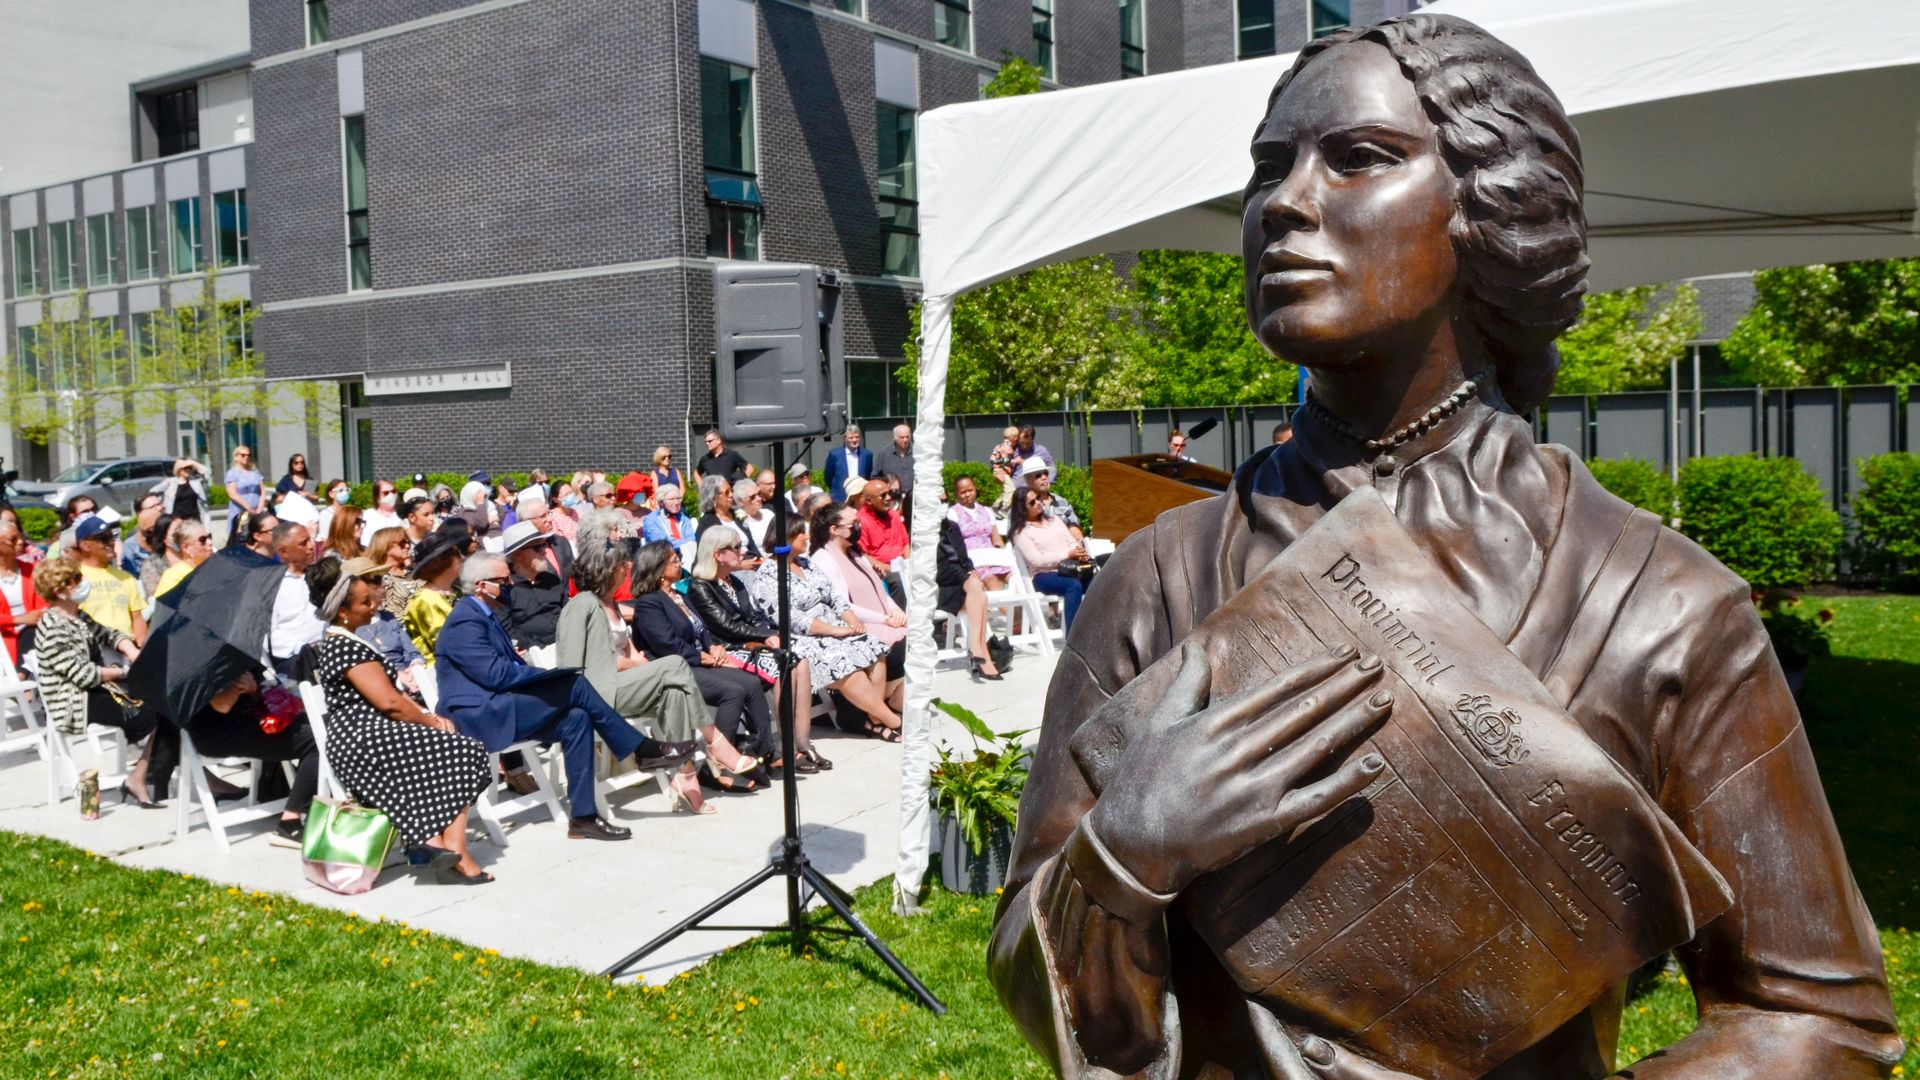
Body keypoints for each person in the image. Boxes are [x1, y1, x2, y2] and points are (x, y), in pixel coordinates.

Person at [990, 17, 1902, 1079]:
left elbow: (1820, 1016)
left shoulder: (1660, 606)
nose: (1284, 202)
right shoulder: (1159, 578)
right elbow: (1027, 967)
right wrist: (1122, 856)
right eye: (1267, 168)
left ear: (1492, 208)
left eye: (1359, 158)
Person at [434, 550, 697, 841]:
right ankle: (641, 748)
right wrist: (546, 678)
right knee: (574, 684)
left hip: (500, 705)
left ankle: (583, 817)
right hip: (479, 716)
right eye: (502, 580)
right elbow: (496, 675)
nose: (510, 584)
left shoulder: (484, 614)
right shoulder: (465, 620)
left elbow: (502, 671)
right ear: (481, 586)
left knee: (578, 716)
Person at [557, 510, 759, 814]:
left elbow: (632, 653)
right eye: (622, 564)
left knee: (676, 692)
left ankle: (685, 775)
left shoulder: (612, 606)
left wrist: (641, 665)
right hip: (598, 692)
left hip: (622, 685)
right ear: (606, 570)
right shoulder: (581, 605)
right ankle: (717, 743)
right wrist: (642, 667)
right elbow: (571, 667)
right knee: (675, 664)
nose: (628, 567)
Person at [308, 556, 493, 881]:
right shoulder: (342, 646)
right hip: (361, 739)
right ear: (342, 612)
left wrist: (424, 714)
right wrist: (430, 721)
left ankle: (441, 849)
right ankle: (446, 850)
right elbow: (390, 701)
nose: (372, 606)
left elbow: (392, 698)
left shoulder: (349, 640)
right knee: (464, 751)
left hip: (374, 732)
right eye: (364, 602)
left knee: (458, 750)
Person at [746, 515, 901, 761]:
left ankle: (872, 719)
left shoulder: (806, 563)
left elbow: (834, 597)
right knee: (846, 665)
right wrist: (833, 630)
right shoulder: (767, 574)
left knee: (874, 648)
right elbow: (788, 618)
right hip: (800, 637)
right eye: (801, 534)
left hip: (834, 626)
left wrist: (851, 620)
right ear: (786, 538)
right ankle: (891, 719)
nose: (807, 537)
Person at [629, 541, 776, 786]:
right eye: (674, 560)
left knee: (751, 683)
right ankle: (717, 766)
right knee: (732, 691)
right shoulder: (649, 604)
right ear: (657, 568)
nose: (680, 563)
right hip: (676, 669)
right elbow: (668, 646)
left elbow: (701, 630)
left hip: (699, 660)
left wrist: (713, 647)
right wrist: (706, 658)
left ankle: (760, 755)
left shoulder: (679, 595)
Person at [31, 556, 164, 806]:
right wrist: (123, 672)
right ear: (60, 591)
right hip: (74, 700)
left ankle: (143, 775)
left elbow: (108, 633)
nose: (83, 583)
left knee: (165, 703)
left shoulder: (77, 616)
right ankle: (145, 775)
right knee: (153, 713)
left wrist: (132, 651)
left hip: (100, 688)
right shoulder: (52, 627)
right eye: (76, 579)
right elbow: (83, 674)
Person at [154, 668, 321, 847]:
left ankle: (314, 803)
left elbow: (268, 688)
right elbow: (222, 705)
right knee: (318, 739)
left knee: (323, 725)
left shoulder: (229, 654)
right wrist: (237, 682)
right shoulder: (194, 666)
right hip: (218, 735)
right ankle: (289, 822)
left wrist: (254, 688)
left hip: (250, 721)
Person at [684, 527, 802, 765]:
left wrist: (769, 633)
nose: (743, 551)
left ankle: (796, 739)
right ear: (718, 554)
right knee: (781, 666)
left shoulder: (733, 581)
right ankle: (782, 744)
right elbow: (726, 626)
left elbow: (753, 616)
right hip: (729, 647)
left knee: (797, 660)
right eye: (736, 547)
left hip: (748, 642)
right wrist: (764, 636)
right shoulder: (701, 586)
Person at [808, 502, 906, 736]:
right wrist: (884, 619)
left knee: (918, 643)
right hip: (860, 624)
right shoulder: (824, 559)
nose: (858, 527)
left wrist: (896, 611)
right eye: (853, 524)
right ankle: (874, 713)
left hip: (882, 620)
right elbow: (842, 605)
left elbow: (879, 591)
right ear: (834, 529)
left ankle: (884, 704)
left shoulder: (855, 553)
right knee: (895, 650)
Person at [935, 513, 1005, 681]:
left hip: (963, 583)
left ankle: (978, 650)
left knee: (979, 594)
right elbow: (937, 568)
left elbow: (964, 557)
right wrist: (967, 576)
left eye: (944, 500)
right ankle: (980, 652)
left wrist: (971, 570)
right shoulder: (924, 532)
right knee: (977, 590)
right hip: (942, 586)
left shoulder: (952, 526)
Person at [1008, 487, 1086, 633]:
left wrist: (1078, 550)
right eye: (1032, 502)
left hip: (1070, 568)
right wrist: (1067, 555)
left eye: (1038, 498)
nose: (1038, 502)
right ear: (1022, 509)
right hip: (1042, 575)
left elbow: (1071, 541)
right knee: (1073, 586)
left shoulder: (1054, 520)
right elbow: (1036, 560)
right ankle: (1073, 637)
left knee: (1099, 582)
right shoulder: (1020, 532)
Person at [68, 515, 147, 644]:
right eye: (103, 539)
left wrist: (141, 649)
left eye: (111, 537)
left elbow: (137, 619)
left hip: (127, 648)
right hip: (93, 648)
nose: (110, 543)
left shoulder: (126, 578)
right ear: (85, 545)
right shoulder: (74, 578)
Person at [267, 522, 326, 681]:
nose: (311, 546)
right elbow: (271, 633)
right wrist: (305, 648)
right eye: (303, 543)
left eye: (310, 540)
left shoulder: (320, 575)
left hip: (329, 648)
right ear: (284, 552)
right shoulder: (273, 586)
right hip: (295, 659)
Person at [498, 521, 568, 650]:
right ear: (518, 555)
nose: (544, 552)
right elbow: (508, 632)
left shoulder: (551, 579)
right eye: (538, 548)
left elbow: (568, 612)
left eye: (543, 546)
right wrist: (539, 648)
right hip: (532, 656)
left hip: (568, 644)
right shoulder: (506, 590)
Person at [403, 528, 465, 661]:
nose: (463, 558)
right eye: (457, 554)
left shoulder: (457, 590)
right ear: (444, 561)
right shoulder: (424, 600)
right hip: (447, 668)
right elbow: (446, 644)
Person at [946, 475, 1012, 590]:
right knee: (990, 578)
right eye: (963, 492)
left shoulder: (986, 510)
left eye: (970, 490)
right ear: (956, 494)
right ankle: (1005, 608)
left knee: (1014, 578)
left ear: (975, 489)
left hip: (992, 557)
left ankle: (1018, 608)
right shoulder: (953, 513)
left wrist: (1002, 557)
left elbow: (996, 539)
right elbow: (955, 545)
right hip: (973, 561)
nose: (967, 494)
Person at [0, 520, 46, 665]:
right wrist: (19, 620)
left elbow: (44, 603)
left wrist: (34, 618)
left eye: (21, 537)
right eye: (13, 539)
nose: (20, 542)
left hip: (33, 638)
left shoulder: (33, 570)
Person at [515, 489, 575, 582]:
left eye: (549, 513)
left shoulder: (560, 541)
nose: (550, 519)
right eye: (543, 516)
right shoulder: (521, 552)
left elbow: (573, 573)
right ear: (526, 522)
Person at [856, 474, 909, 576]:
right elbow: (862, 555)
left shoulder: (894, 515)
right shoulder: (861, 521)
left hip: (903, 565)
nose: (889, 498)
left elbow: (906, 542)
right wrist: (891, 569)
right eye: (883, 495)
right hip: (881, 571)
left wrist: (908, 563)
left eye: (889, 493)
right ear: (869, 501)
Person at [1022, 456, 1085, 542]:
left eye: (1046, 473)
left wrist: (1080, 544)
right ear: (1028, 481)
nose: (1044, 477)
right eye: (1038, 475)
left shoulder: (1062, 502)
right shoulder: (1023, 504)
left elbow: (1073, 527)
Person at [153, 518, 214, 599]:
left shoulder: (215, 568)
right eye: (203, 540)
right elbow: (165, 610)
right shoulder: (173, 578)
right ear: (186, 548)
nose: (210, 542)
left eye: (209, 537)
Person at [365, 526, 418, 616]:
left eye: (408, 542)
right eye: (402, 543)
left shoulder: (414, 571)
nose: (407, 546)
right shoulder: (376, 579)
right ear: (385, 546)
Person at [641, 484, 698, 561]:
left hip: (685, 557)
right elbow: (663, 544)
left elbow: (691, 540)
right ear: (661, 502)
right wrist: (684, 545)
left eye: (678, 498)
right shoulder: (651, 521)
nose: (676, 503)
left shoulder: (684, 519)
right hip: (659, 560)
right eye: (671, 499)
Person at [119, 493, 166, 582]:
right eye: (152, 507)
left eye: (159, 504)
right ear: (139, 514)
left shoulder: (175, 532)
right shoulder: (131, 546)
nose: (159, 508)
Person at [155, 458, 210, 530]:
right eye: (185, 468)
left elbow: (207, 472)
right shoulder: (170, 482)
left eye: (190, 468)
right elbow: (153, 492)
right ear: (179, 470)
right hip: (176, 520)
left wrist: (193, 463)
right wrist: (159, 505)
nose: (188, 470)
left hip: (194, 519)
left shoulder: (196, 481)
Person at [223, 446, 265, 539]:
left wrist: (260, 508)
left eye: (248, 455)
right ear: (236, 457)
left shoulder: (255, 472)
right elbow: (232, 494)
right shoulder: (232, 473)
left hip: (256, 510)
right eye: (243, 455)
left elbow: (262, 491)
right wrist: (248, 508)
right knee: (240, 535)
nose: (246, 457)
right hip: (240, 510)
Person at [823, 424, 871, 498]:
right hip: (840, 496)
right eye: (851, 438)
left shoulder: (866, 455)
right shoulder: (835, 454)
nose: (854, 440)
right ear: (845, 438)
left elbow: (868, 475)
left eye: (857, 437)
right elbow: (828, 477)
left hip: (860, 495)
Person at [733, 478, 773, 561]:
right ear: (740, 501)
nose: (758, 498)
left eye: (759, 494)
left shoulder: (768, 514)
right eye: (752, 497)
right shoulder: (739, 522)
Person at [1008, 425, 1054, 489]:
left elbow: (1052, 469)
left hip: (1036, 490)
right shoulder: (1012, 450)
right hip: (1016, 490)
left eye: (1028, 443)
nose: (1024, 446)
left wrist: (1048, 483)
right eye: (1022, 443)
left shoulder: (1041, 451)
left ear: (1032, 439)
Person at [358, 479, 402, 544]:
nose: (391, 495)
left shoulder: (402, 515)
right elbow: (365, 541)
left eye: (393, 491)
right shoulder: (368, 515)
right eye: (386, 493)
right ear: (377, 498)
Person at [879, 424, 915, 497]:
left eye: (907, 437)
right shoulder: (884, 454)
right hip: (892, 497)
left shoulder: (918, 452)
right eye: (902, 437)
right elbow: (875, 477)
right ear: (894, 437)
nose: (905, 440)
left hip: (914, 498)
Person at [315, 478, 353, 545]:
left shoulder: (350, 511)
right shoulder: (326, 514)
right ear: (331, 494)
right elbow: (325, 538)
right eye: (340, 490)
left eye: (346, 490)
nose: (344, 493)